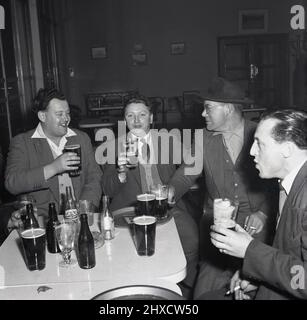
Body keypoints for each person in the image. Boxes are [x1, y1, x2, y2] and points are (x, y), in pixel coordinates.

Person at [168, 77, 277, 298]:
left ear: (227, 109)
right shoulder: (202, 140)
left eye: (208, 108)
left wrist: (264, 213)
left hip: (257, 233)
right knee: (202, 294)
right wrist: (170, 191)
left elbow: (280, 183)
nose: (202, 114)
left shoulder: (261, 135)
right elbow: (186, 175)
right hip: (217, 230)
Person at [101, 95, 199, 298]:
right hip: (128, 210)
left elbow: (193, 164)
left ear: (151, 117)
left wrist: (174, 187)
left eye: (142, 115)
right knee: (132, 257)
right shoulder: (113, 147)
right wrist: (120, 172)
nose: (136, 121)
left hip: (166, 208)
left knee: (191, 237)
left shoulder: (169, 140)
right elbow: (107, 190)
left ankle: (184, 287)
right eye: (130, 115)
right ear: (124, 120)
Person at [210, 109, 307, 300]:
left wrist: (249, 250)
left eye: (260, 144)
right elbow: (289, 256)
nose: (252, 152)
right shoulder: (287, 183)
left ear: (287, 149)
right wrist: (257, 276)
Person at [5, 88, 102, 224]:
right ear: (42, 116)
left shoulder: (81, 138)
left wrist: (85, 206)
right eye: (59, 114)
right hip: (43, 221)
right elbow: (12, 183)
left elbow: (94, 176)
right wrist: (54, 168)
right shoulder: (22, 142)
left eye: (67, 113)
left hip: (80, 217)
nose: (66, 119)